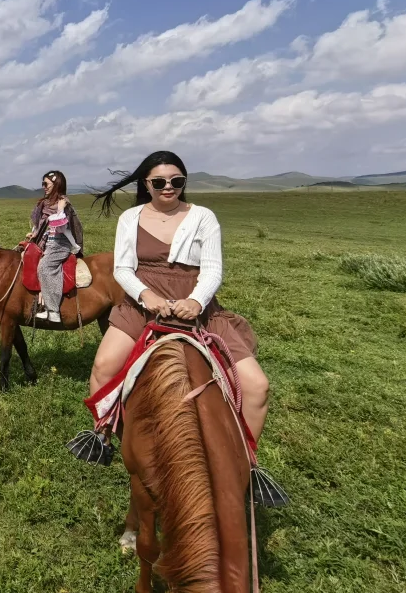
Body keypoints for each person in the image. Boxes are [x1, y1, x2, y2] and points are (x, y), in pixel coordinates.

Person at [82, 151, 283, 503]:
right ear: (146, 184)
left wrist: (197, 301)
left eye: (176, 181)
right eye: (159, 181)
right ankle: (104, 434)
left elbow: (213, 269)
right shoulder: (131, 218)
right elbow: (123, 269)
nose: (168, 187)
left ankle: (245, 465)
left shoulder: (203, 216)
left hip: (197, 305)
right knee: (103, 366)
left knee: (257, 386)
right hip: (142, 304)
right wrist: (146, 296)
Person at [26, 170, 83, 322]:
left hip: (60, 244)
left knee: (45, 267)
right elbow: (42, 224)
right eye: (42, 184)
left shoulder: (64, 204)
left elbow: (62, 225)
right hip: (46, 242)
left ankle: (53, 311)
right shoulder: (44, 203)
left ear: (57, 184)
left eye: (46, 184)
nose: (43, 187)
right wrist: (34, 234)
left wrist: (60, 209)